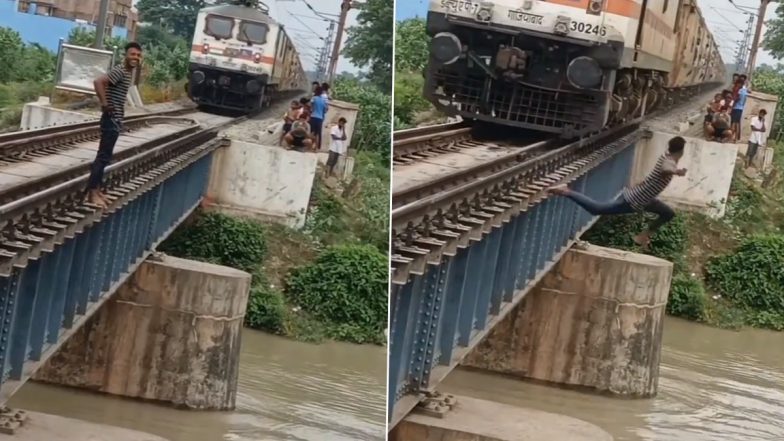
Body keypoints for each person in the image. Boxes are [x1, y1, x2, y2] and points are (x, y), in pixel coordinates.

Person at [548, 136, 688, 248]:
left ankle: (643, 236)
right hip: (634, 200)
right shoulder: (669, 162)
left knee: (668, 213)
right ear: (681, 151)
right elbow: (665, 169)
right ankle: (565, 191)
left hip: (645, 199)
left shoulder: (665, 155)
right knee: (596, 209)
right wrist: (677, 172)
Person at [85, 42, 142, 208]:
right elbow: (98, 82)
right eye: (132, 54)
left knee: (105, 156)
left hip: (115, 119)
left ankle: (97, 189)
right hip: (111, 118)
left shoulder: (127, 72)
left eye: (138, 56)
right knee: (103, 157)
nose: (135, 58)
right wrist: (104, 103)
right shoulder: (120, 71)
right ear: (126, 56)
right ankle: (92, 193)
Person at [310, 85, 328, 150]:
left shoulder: (314, 98)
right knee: (317, 133)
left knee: (312, 132)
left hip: (313, 116)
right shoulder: (323, 100)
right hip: (320, 118)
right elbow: (326, 110)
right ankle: (316, 148)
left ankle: (310, 146)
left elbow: (311, 107)